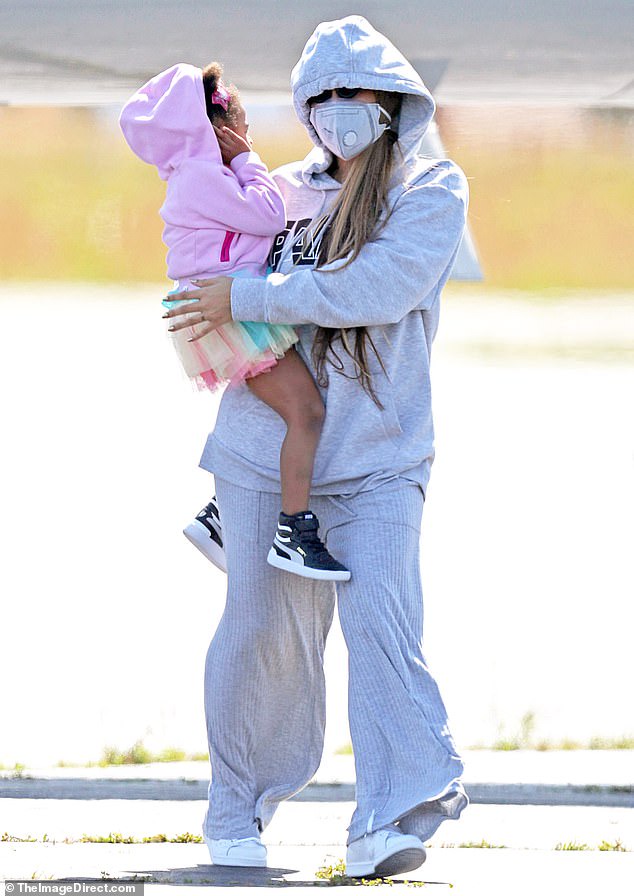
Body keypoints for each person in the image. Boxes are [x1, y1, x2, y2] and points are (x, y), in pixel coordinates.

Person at [163, 15, 469, 879]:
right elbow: (211, 259)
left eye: (354, 94)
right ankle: (235, 808)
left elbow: (379, 286)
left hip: (379, 458)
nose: (337, 111)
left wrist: (254, 292)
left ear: (393, 100)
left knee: (382, 622)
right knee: (259, 632)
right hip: (266, 452)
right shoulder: (286, 189)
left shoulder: (433, 189)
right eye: (320, 98)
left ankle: (386, 817)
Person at [119, 61, 350, 582]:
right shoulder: (204, 176)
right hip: (228, 313)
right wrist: (248, 161)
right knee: (306, 411)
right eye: (242, 127)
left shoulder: (196, 174)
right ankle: (294, 531)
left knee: (273, 406)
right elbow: (267, 215)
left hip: (220, 309)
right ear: (217, 131)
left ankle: (221, 513)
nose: (247, 137)